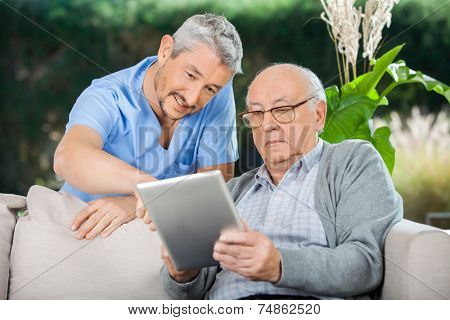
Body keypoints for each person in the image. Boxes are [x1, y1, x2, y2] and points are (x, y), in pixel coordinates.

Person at [140, 63, 403, 299]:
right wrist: (184, 274)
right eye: (256, 114)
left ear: (319, 115)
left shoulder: (351, 162)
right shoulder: (233, 191)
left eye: (282, 110)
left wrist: (279, 264)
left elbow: (367, 263)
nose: (267, 125)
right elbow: (189, 291)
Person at [53, 14, 243, 240]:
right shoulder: (107, 96)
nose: (193, 98)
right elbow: (67, 158)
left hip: (156, 238)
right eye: (190, 75)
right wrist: (146, 188)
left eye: (210, 89)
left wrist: (137, 203)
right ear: (165, 50)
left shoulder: (217, 93)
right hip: (84, 231)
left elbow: (216, 187)